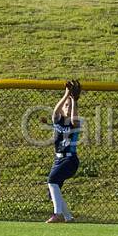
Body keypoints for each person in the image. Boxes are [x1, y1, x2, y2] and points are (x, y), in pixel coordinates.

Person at [46, 80, 82, 223]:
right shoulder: (58, 120)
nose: (66, 108)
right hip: (58, 160)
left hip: (70, 160)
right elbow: (55, 111)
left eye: (69, 106)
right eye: (65, 106)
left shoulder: (76, 122)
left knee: (52, 181)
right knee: (54, 191)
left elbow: (73, 119)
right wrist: (66, 94)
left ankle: (58, 214)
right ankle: (68, 217)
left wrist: (73, 101)